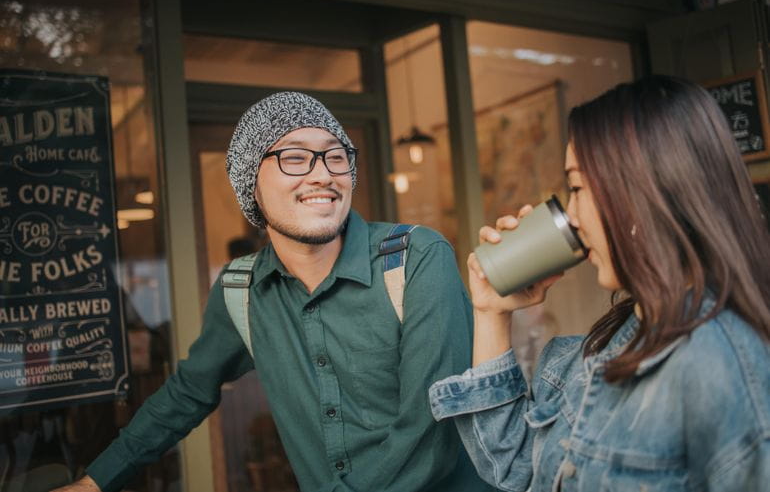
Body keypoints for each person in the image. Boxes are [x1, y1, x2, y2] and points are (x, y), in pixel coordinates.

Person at [55, 92, 496, 492]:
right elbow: (187, 394)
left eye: (334, 156)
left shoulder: (415, 257)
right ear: (252, 184)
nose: (322, 175)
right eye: (295, 158)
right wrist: (94, 483)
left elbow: (433, 426)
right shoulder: (240, 289)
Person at [429, 75, 770, 492]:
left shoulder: (719, 363)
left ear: (642, 193)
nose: (570, 217)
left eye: (576, 187)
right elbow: (515, 466)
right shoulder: (609, 345)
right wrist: (491, 312)